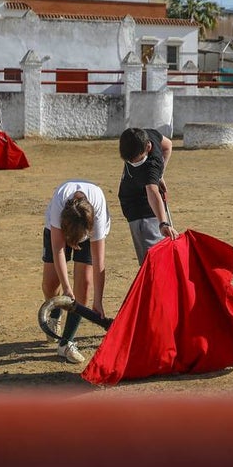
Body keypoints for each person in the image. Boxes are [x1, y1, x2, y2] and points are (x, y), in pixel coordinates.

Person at [42, 180, 112, 363]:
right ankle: (56, 315)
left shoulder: (97, 216)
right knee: (50, 284)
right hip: (58, 229)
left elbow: (99, 262)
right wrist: (66, 287)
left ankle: (66, 343)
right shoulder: (59, 208)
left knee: (84, 285)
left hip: (86, 226)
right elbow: (58, 249)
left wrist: (98, 300)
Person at [118, 127, 178, 264]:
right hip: (134, 204)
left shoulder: (150, 167)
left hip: (144, 210)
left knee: (154, 261)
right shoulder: (145, 135)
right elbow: (168, 145)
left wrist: (163, 223)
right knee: (156, 259)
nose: (133, 163)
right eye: (129, 161)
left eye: (137, 160)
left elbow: (152, 191)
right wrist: (160, 175)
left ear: (148, 147)